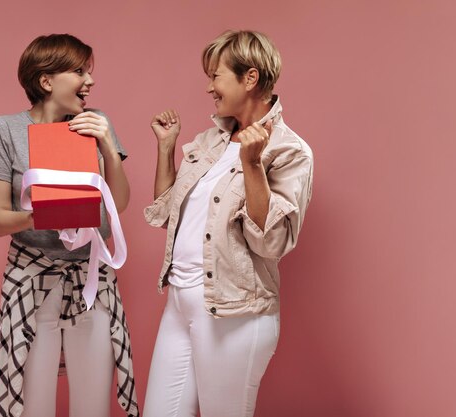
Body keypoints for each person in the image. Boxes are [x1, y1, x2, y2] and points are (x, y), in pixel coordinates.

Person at [143, 30, 314, 417]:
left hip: (236, 312)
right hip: (180, 303)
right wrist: (167, 147)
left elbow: (272, 242)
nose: (209, 88)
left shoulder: (289, 150)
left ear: (249, 78)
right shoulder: (211, 140)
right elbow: (167, 213)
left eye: (216, 76)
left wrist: (252, 164)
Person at [0, 34, 138, 417]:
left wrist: (107, 148)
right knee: (33, 406)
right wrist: (49, 213)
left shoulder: (96, 122)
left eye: (89, 72)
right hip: (31, 279)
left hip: (91, 280)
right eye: (79, 71)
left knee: (93, 406)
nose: (90, 81)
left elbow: (120, 203)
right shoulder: (3, 130)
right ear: (46, 81)